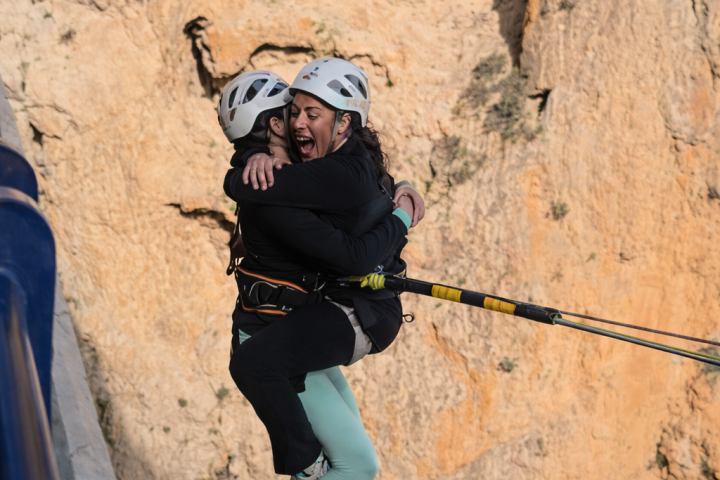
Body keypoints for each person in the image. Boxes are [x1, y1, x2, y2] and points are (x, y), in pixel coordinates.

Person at [218, 63, 423, 479]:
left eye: (306, 114)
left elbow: (352, 187)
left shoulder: (294, 179)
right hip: (270, 334)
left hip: (292, 328)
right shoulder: (271, 193)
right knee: (354, 465)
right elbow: (353, 255)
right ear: (273, 125)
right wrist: (401, 214)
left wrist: (400, 191)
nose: (296, 125)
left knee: (351, 462)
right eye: (290, 115)